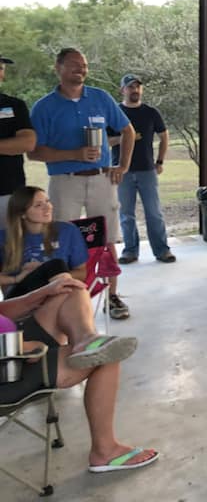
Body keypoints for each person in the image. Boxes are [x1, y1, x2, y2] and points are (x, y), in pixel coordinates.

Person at [0, 275, 159, 473]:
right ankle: (105, 451)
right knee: (106, 357)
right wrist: (21, 347)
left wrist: (39, 294)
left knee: (69, 289)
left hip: (10, 337)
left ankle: (86, 340)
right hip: (8, 367)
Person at [28, 48, 134, 320]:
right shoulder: (44, 107)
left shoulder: (100, 98)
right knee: (60, 238)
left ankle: (112, 297)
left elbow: (127, 130)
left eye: (84, 65)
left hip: (101, 178)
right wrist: (73, 154)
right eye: (74, 65)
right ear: (58, 68)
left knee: (107, 238)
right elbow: (34, 152)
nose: (81, 69)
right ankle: (64, 297)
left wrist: (123, 166)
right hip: (65, 182)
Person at [109, 74, 176, 264]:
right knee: (126, 214)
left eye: (138, 87)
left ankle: (162, 250)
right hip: (122, 171)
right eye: (130, 87)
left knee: (154, 212)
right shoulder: (115, 113)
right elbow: (105, 141)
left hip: (147, 170)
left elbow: (164, 136)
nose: (135, 90)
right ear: (122, 90)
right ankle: (130, 251)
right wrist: (126, 138)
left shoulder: (151, 112)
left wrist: (160, 161)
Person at [0, 186, 88, 298]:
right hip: (22, 296)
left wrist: (48, 274)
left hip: (58, 292)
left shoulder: (68, 230)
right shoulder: (4, 237)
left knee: (56, 267)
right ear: (22, 213)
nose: (48, 207)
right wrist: (16, 278)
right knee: (57, 265)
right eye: (38, 205)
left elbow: (81, 272)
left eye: (47, 201)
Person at [0, 54, 37, 229]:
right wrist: (8, 145)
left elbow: (28, 143)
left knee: (11, 250)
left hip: (10, 193)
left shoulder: (15, 105)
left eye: (0, 68)